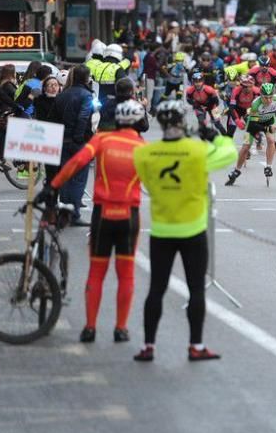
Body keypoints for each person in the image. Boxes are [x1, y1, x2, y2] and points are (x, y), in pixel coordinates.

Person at [132, 100, 238, 362]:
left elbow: (145, 180)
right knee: (196, 290)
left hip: (162, 229)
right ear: (182, 122)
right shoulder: (196, 151)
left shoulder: (145, 153)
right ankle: (196, 345)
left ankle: (148, 346)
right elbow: (229, 153)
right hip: (193, 229)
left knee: (156, 289)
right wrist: (214, 136)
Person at [36, 100, 148, 344]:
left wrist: (53, 187)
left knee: (97, 272)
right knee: (126, 274)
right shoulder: (142, 146)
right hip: (129, 216)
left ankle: (90, 327)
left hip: (102, 215)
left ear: (116, 120)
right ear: (140, 122)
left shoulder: (103, 139)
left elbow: (76, 163)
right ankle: (120, 328)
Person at [53, 65, 96, 226]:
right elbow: (84, 117)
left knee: (65, 176)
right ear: (86, 78)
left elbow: (54, 118)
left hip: (62, 140)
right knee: (78, 179)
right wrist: (79, 138)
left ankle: (64, 212)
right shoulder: (86, 95)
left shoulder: (63, 94)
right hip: (78, 142)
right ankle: (74, 213)